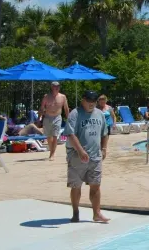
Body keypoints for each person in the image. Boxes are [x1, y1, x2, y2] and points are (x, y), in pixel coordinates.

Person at [65, 90, 110, 223]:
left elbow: (105, 133)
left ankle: (97, 213)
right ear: (83, 100)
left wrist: (104, 149)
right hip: (76, 156)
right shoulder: (75, 114)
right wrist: (80, 151)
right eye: (89, 101)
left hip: (95, 156)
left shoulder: (100, 114)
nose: (91, 104)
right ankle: (75, 213)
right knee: (76, 186)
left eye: (94, 102)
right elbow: (70, 134)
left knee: (95, 185)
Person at [38, 81, 70, 161]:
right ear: (52, 87)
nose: (57, 87)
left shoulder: (63, 97)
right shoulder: (46, 96)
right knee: (49, 137)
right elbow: (42, 107)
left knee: (55, 136)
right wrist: (38, 118)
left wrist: (68, 119)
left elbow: (66, 108)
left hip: (57, 117)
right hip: (47, 117)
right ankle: (51, 151)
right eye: (55, 86)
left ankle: (52, 154)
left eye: (58, 86)